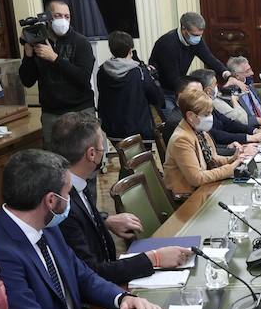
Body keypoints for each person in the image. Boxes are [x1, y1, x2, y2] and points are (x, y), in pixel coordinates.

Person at [0, 150, 166, 309]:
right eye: (68, 193)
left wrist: (122, 298)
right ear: (51, 200)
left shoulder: (45, 224)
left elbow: (83, 275)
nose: (70, 200)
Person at [50, 112, 193, 284]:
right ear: (91, 154)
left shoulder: (78, 182)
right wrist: (154, 258)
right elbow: (93, 272)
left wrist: (105, 220)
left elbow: (83, 221)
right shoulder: (64, 203)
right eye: (102, 145)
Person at [19, 0, 96, 144]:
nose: (63, 20)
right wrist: (28, 56)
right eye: (58, 16)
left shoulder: (81, 42)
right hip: (51, 114)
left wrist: (54, 58)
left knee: (85, 157)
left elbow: (83, 77)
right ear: (47, 18)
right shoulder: (39, 42)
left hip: (80, 111)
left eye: (67, 16)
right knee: (55, 160)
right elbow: (27, 81)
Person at [165, 86, 250, 197]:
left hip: (205, 189)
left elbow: (212, 159)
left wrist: (233, 159)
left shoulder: (199, 131)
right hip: (188, 197)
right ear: (191, 116)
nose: (210, 118)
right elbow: (196, 178)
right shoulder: (181, 139)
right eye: (206, 114)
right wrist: (231, 168)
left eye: (210, 113)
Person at [148, 12, 230, 122]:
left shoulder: (196, 40)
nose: (198, 38)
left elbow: (209, 58)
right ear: (183, 29)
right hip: (164, 91)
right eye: (195, 35)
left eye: (200, 35)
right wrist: (193, 91)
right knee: (175, 124)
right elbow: (172, 78)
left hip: (179, 87)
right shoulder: (167, 44)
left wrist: (226, 74)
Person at [96, 30, 164, 143]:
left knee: (123, 157)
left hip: (113, 130)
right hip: (138, 131)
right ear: (130, 50)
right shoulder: (140, 72)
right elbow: (156, 97)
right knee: (141, 160)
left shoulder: (102, 70)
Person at [192, 69, 261, 144]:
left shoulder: (209, 103)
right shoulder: (198, 109)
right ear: (208, 91)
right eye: (215, 84)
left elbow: (228, 123)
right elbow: (215, 134)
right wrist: (248, 138)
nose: (217, 86)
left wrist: (255, 131)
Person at [226, 56, 261, 127]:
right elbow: (237, 119)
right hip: (252, 129)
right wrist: (257, 121)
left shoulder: (250, 85)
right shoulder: (230, 93)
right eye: (247, 71)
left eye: (250, 69)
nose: (252, 73)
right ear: (237, 76)